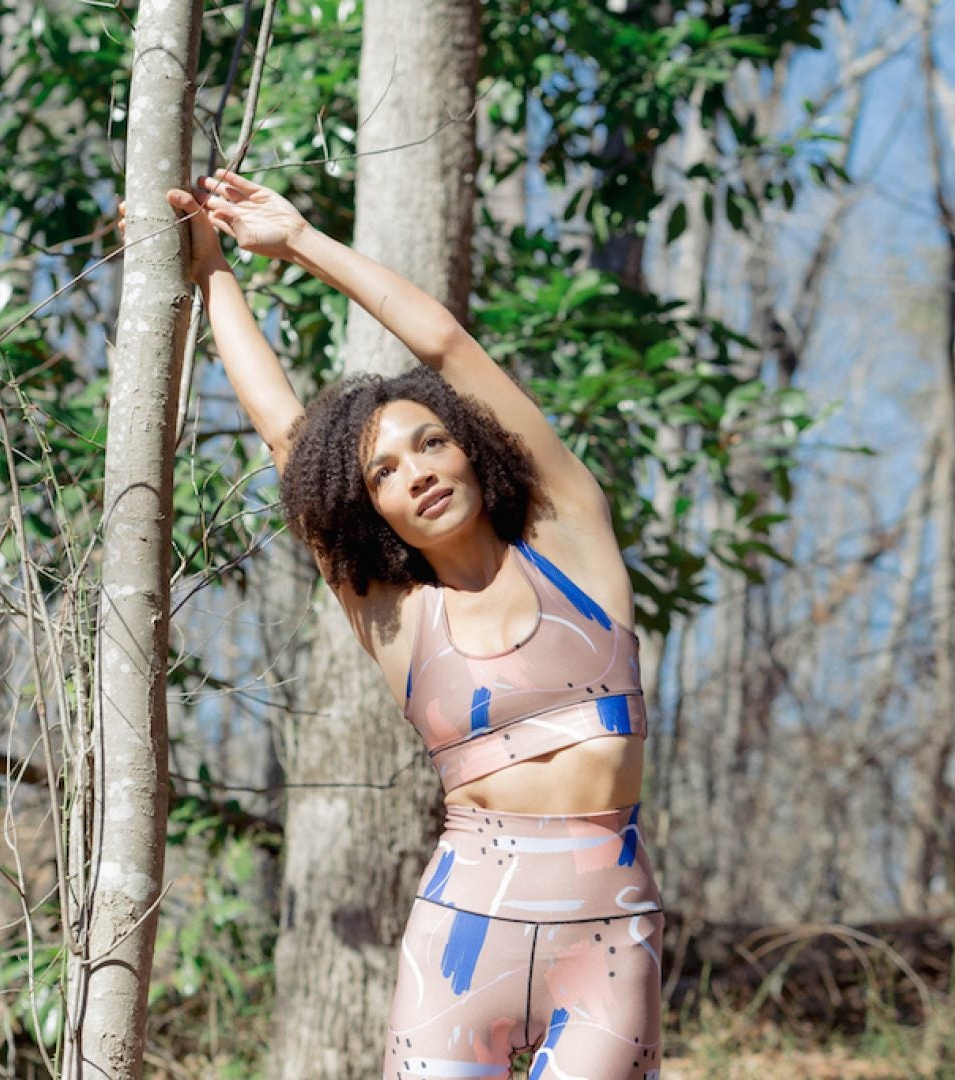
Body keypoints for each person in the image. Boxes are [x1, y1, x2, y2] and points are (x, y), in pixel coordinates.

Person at [165, 170, 665, 1080]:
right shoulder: (394, 618)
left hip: (607, 942)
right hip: (459, 938)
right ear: (371, 509)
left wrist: (299, 241)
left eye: (430, 442)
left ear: (472, 449)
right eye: (384, 472)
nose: (417, 472)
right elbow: (283, 435)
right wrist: (213, 277)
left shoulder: (573, 545)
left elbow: (443, 342)